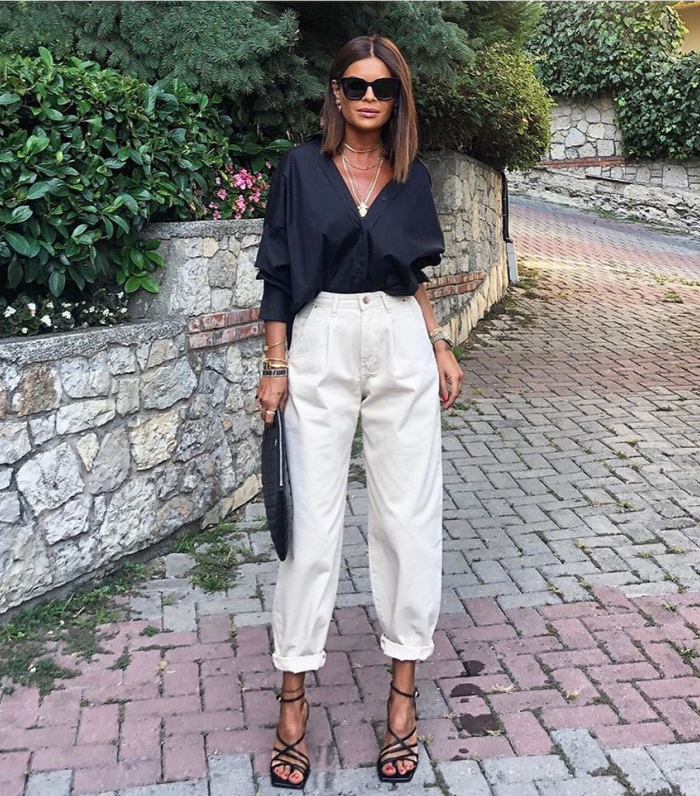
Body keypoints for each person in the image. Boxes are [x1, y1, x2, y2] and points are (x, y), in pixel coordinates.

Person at [254, 33, 463, 789]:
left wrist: (439, 344)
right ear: (336, 92)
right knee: (310, 528)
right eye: (357, 84)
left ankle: (402, 699)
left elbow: (414, 274)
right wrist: (274, 362)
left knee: (407, 519)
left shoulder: (412, 176)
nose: (370, 97)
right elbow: (278, 272)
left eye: (384, 87)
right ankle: (292, 697)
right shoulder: (301, 169)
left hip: (401, 340)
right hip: (321, 340)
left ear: (399, 97)